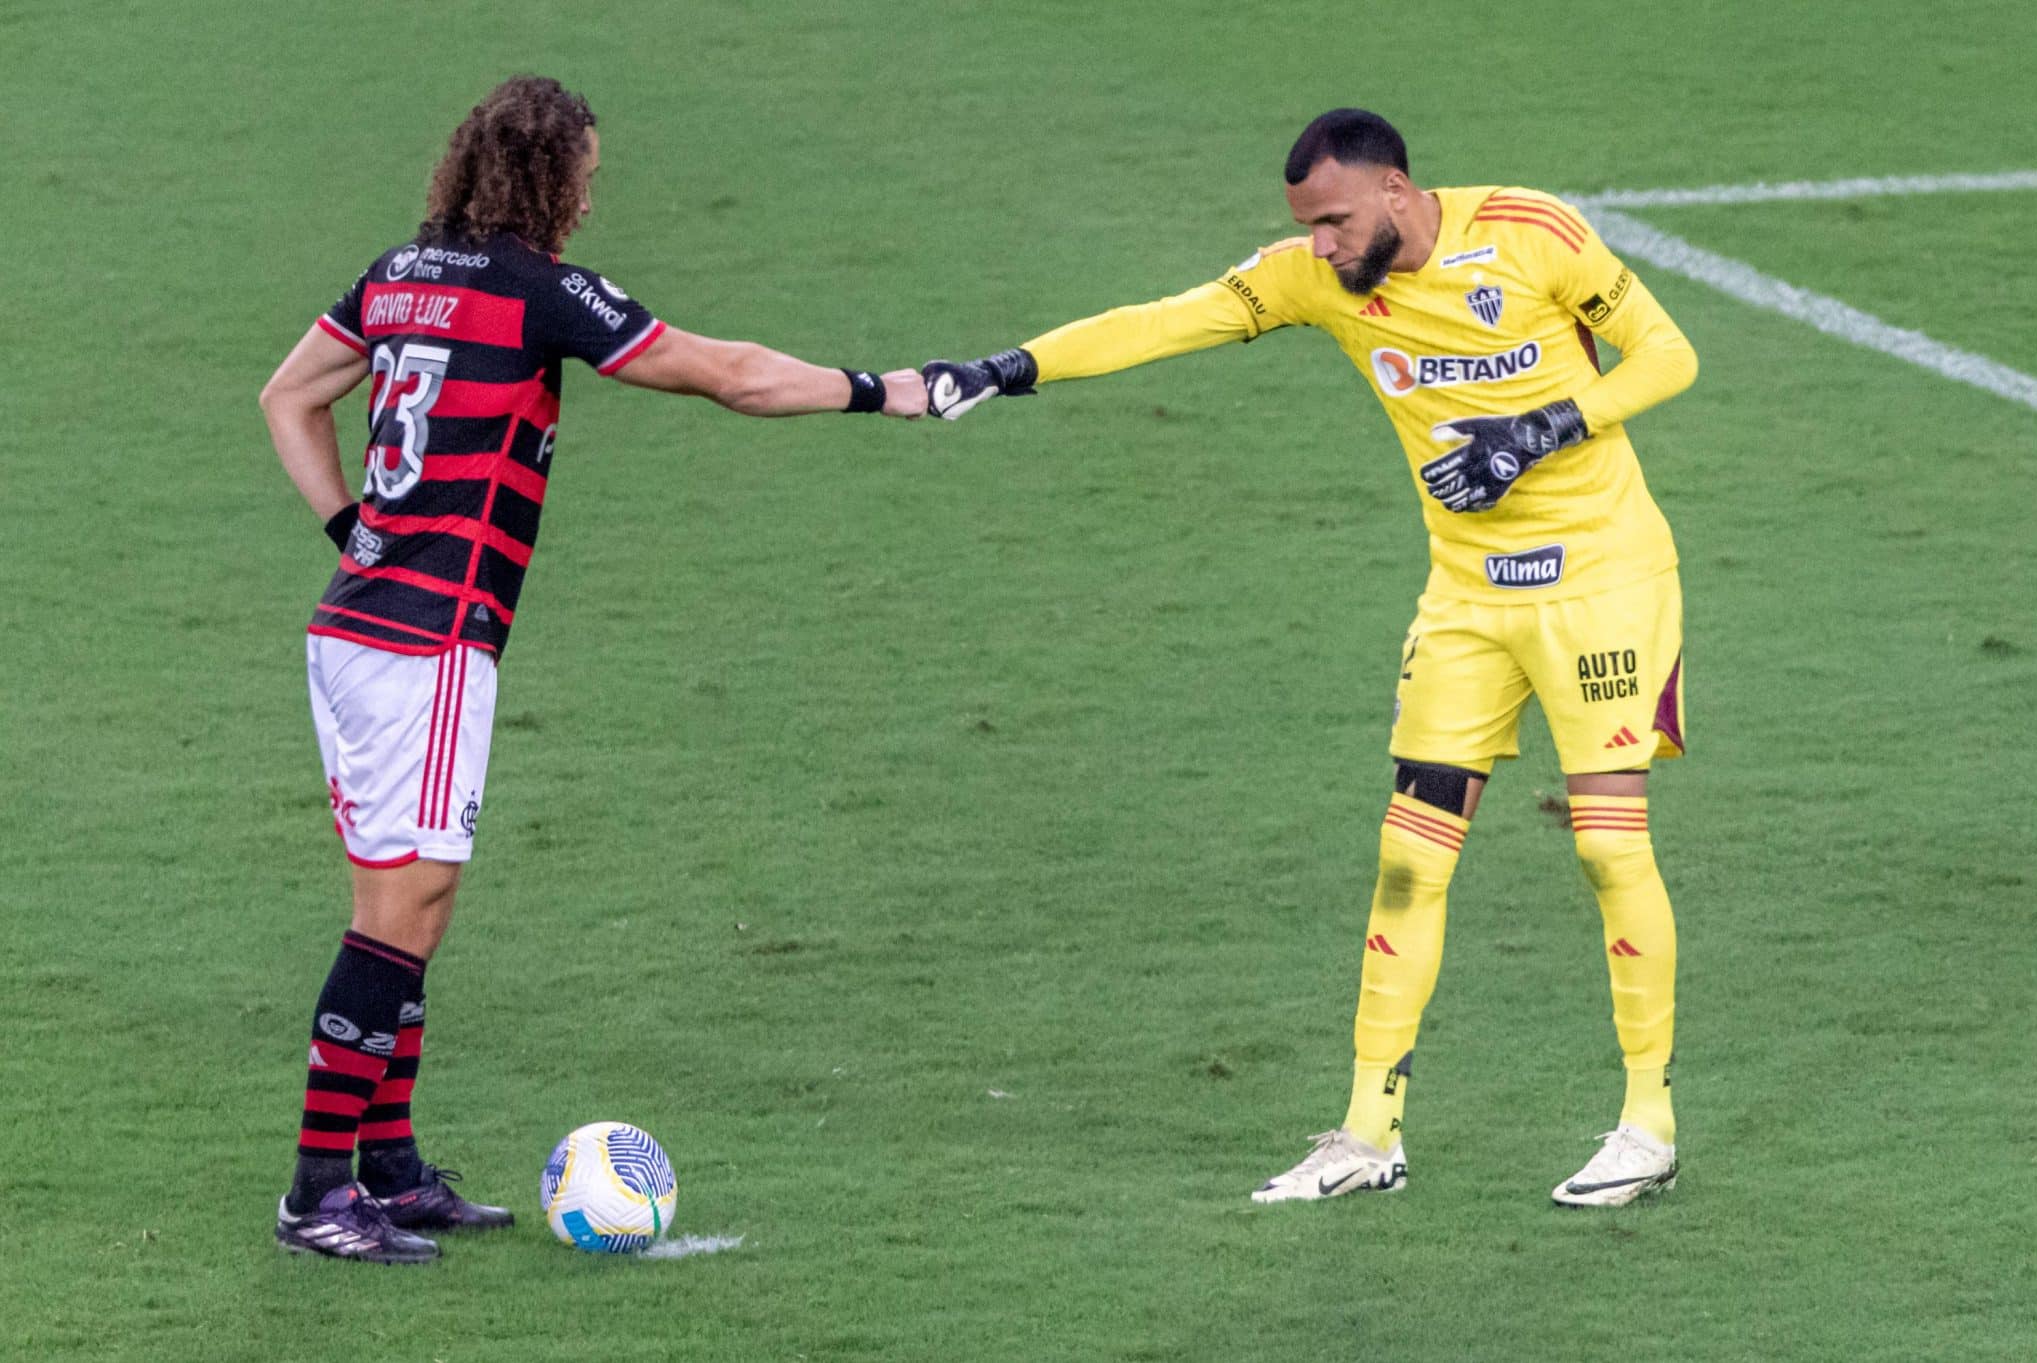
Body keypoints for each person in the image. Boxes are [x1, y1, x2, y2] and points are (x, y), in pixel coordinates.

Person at [921, 108, 1698, 1208]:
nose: (1321, 246)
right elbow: (1166, 322)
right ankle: (1368, 1134)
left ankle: (1646, 1125)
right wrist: (1008, 367)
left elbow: (1668, 355)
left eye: (1334, 221)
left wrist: (1537, 430)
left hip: (1605, 582)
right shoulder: (1315, 280)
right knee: (1409, 860)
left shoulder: (1531, 233)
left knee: (1609, 849)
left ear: (1395, 190)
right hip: (1467, 598)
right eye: (1307, 227)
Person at [259, 75, 925, 1263]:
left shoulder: (397, 274)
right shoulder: (536, 291)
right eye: (586, 177)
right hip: (426, 643)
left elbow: (290, 394)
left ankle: (389, 1167)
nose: (588, 198)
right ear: (549, 179)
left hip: (356, 627)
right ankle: (318, 1190)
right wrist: (876, 391)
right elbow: (726, 373)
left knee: (409, 907)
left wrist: (350, 529)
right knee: (401, 913)